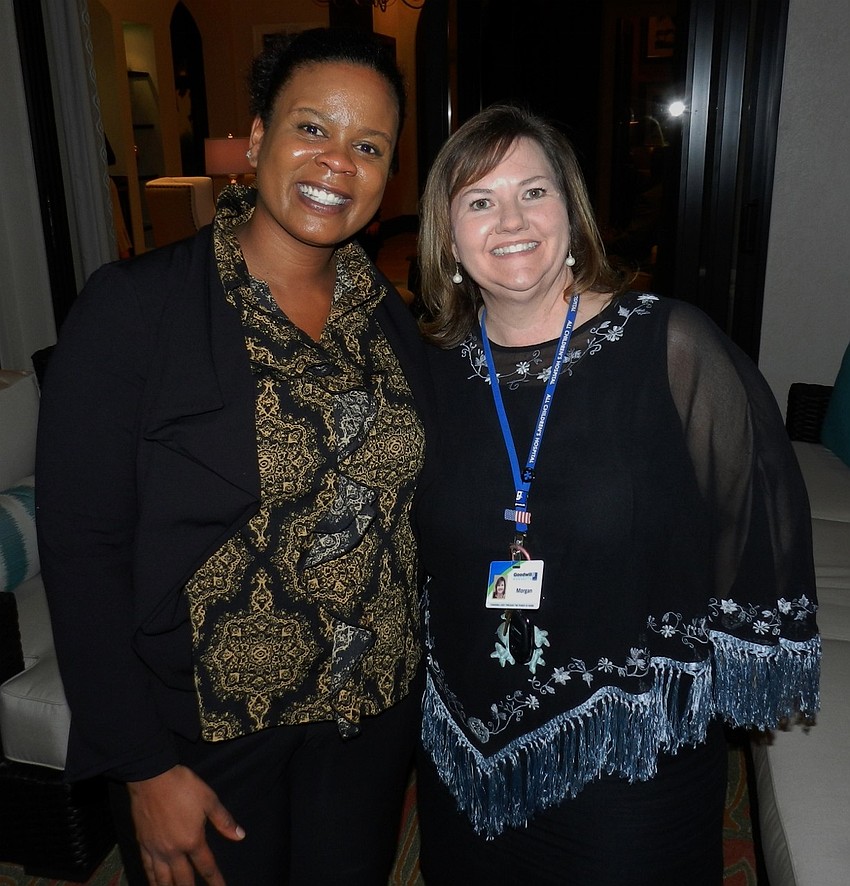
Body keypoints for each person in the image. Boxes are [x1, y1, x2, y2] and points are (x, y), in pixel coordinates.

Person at [36, 28, 430, 886]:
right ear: (256, 140)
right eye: (311, 129)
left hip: (370, 720)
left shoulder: (391, 314)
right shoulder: (133, 310)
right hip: (207, 736)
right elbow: (81, 551)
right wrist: (140, 764)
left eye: (368, 145)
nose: (338, 162)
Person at [412, 103, 820, 885]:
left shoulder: (670, 344)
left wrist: (739, 662)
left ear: (573, 209)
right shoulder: (428, 369)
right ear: (449, 235)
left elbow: (753, 505)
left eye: (534, 192)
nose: (511, 220)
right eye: (480, 201)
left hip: (629, 758)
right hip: (465, 748)